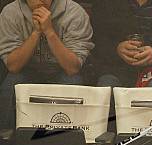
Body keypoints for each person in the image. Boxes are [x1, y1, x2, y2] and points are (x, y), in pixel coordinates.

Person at [0, 0, 93, 129]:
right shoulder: (11, 12)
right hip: (27, 70)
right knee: (10, 85)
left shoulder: (74, 12)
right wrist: (36, 32)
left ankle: (68, 142)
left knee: (73, 83)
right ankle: (7, 143)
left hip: (62, 71)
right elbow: (13, 66)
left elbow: (72, 68)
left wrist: (49, 31)